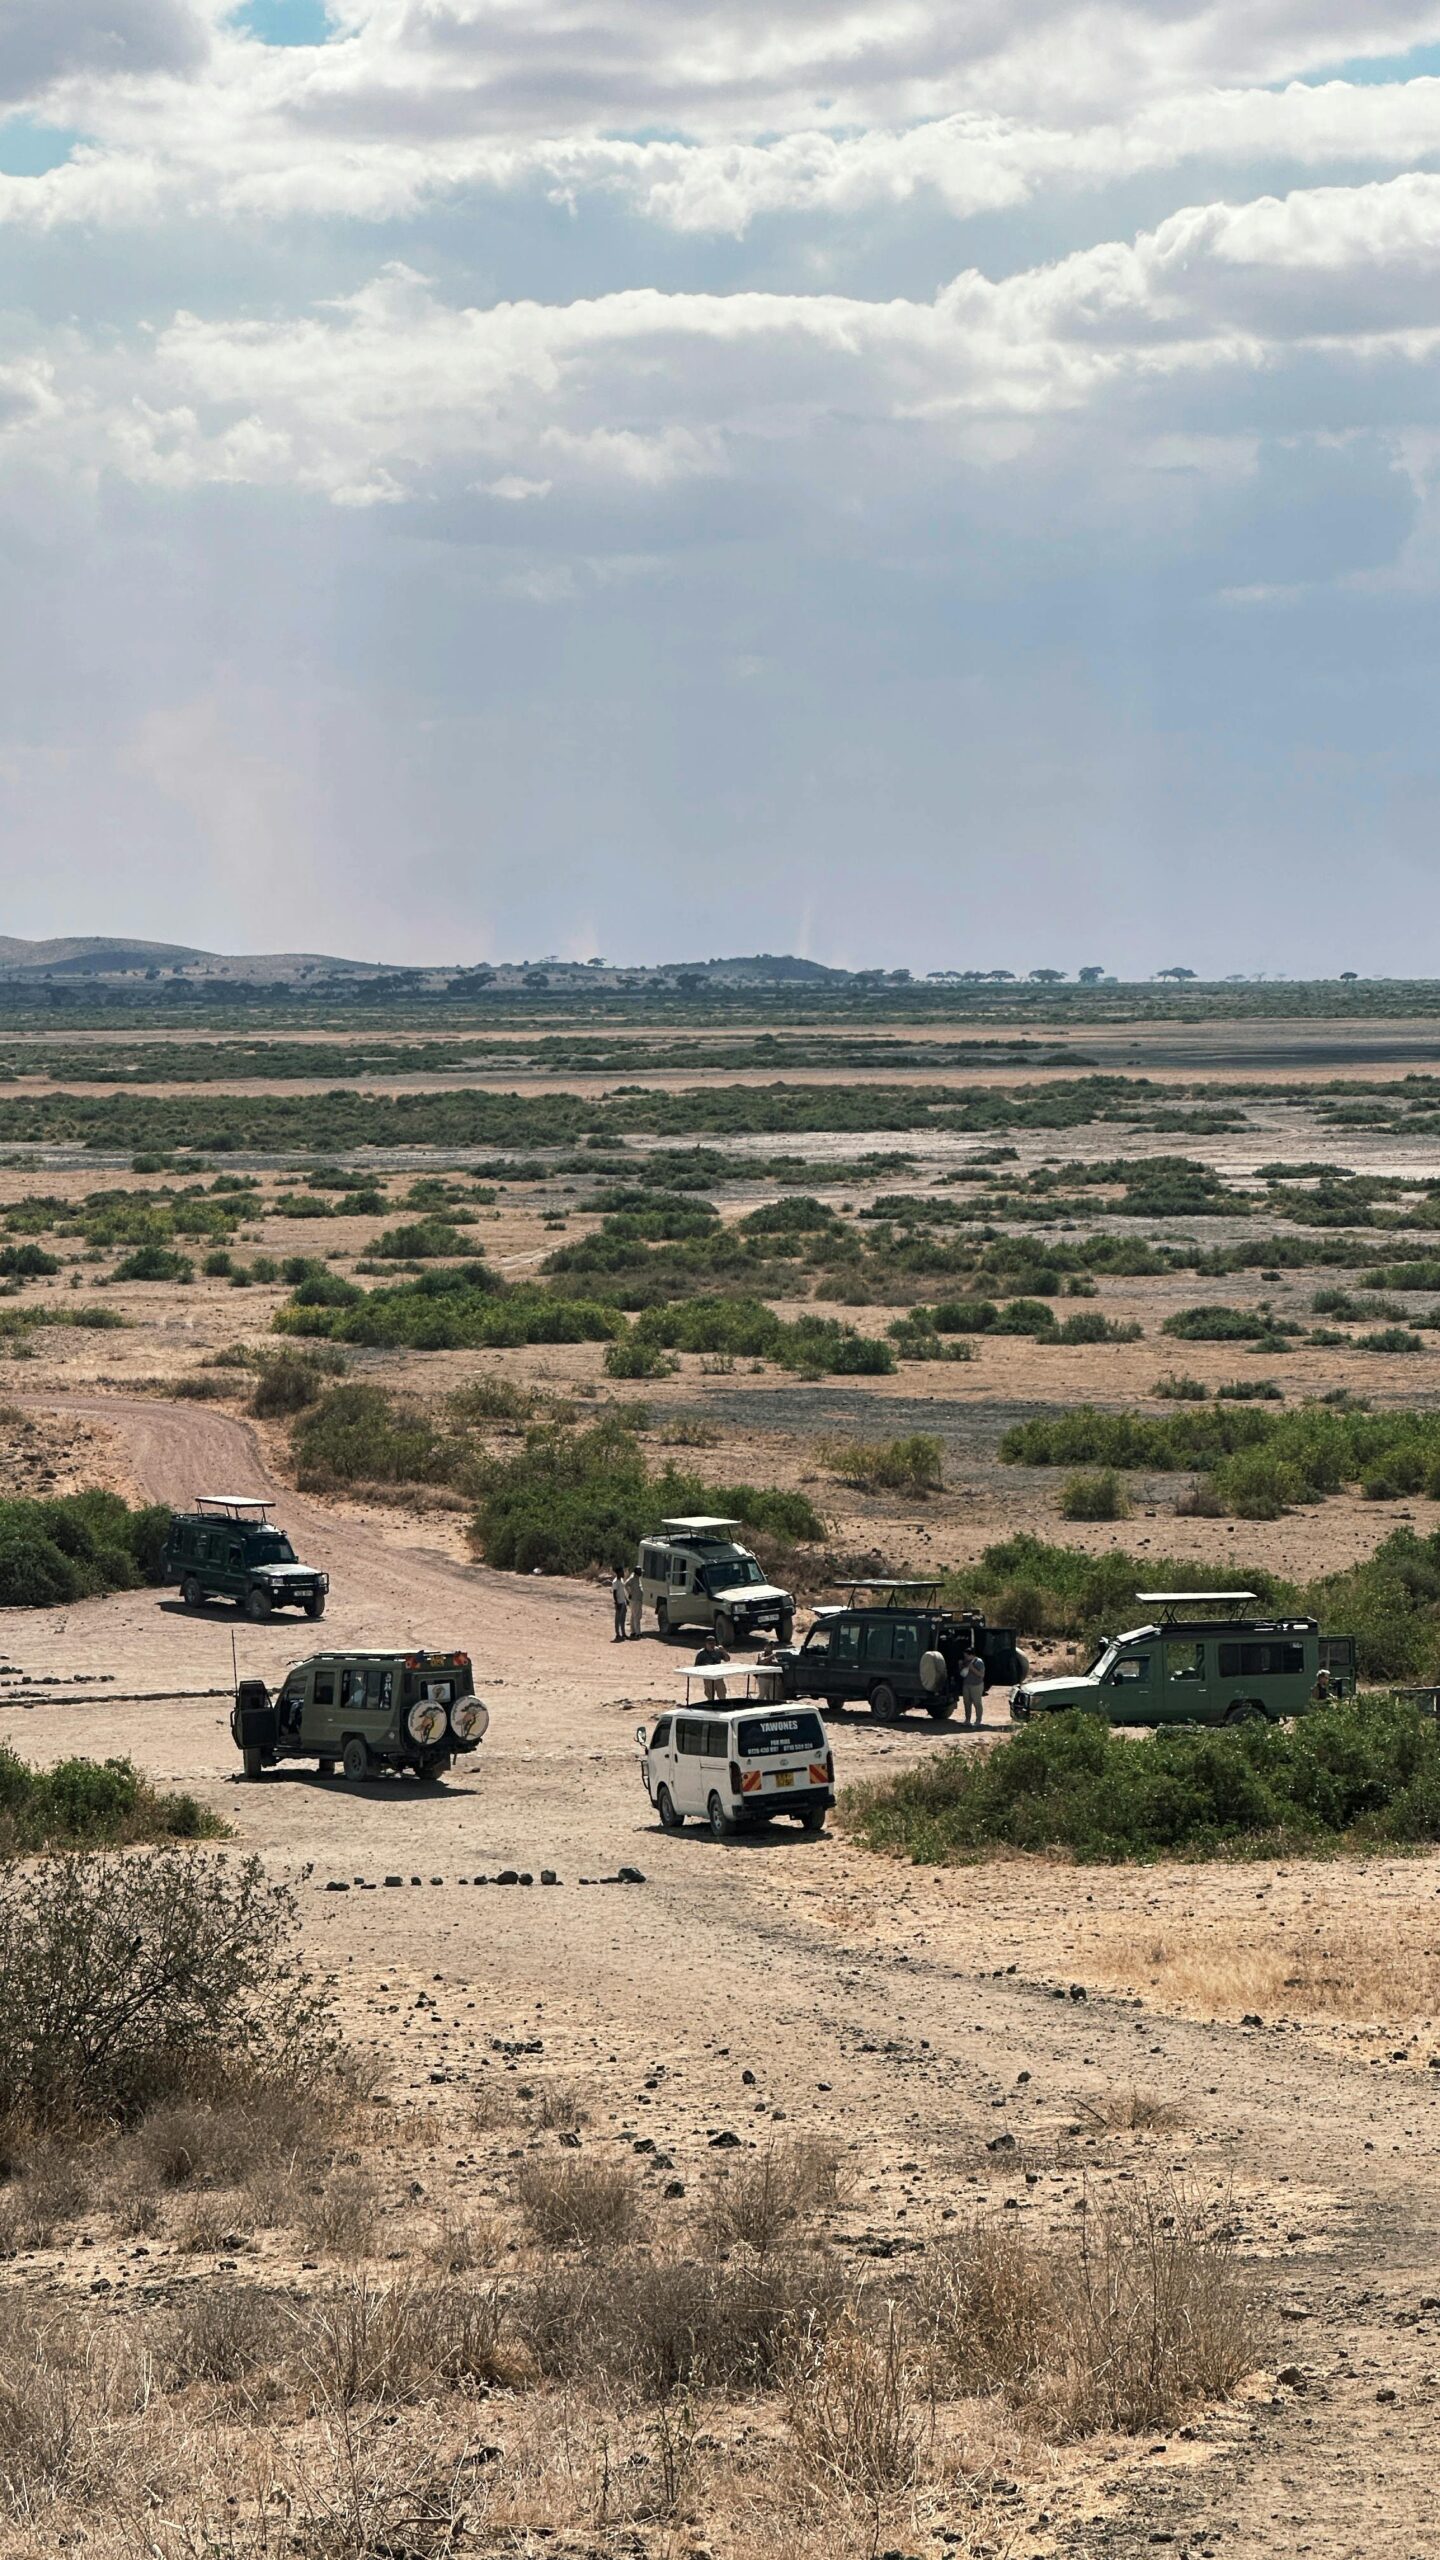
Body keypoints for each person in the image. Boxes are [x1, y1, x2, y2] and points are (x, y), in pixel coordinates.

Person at [694, 1633, 731, 1700]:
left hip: (718, 1676)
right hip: (708, 1677)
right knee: (710, 1696)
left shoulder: (718, 1651)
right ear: (705, 1644)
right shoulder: (701, 1653)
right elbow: (696, 1666)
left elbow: (727, 1659)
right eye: (710, 1644)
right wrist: (705, 1667)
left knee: (722, 1694)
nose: (712, 1645)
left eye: (713, 1643)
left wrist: (724, 1651)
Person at [959, 1644, 986, 1729]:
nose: (965, 1657)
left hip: (976, 1685)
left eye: (966, 1655)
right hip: (966, 1684)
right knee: (966, 1703)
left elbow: (981, 1675)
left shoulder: (979, 1662)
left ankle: (978, 1721)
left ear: (971, 1655)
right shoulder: (965, 1661)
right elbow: (962, 1673)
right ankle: (967, 1720)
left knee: (977, 1703)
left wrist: (972, 1668)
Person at [611, 1567, 629, 1642]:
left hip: (623, 1602)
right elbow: (614, 1593)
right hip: (619, 1603)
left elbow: (623, 1591)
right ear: (618, 1573)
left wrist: (626, 1600)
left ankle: (623, 1633)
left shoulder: (621, 1580)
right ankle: (618, 1634)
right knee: (617, 1620)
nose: (623, 1573)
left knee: (623, 1619)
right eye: (622, 1572)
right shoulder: (615, 1582)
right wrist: (617, 1603)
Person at [627, 1565, 644, 1640]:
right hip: (635, 1600)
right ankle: (638, 1633)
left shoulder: (637, 1578)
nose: (641, 1573)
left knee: (634, 1616)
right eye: (640, 1571)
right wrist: (629, 1593)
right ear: (637, 1572)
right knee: (637, 1616)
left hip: (637, 1600)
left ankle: (633, 1631)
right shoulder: (632, 1578)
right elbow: (625, 1585)